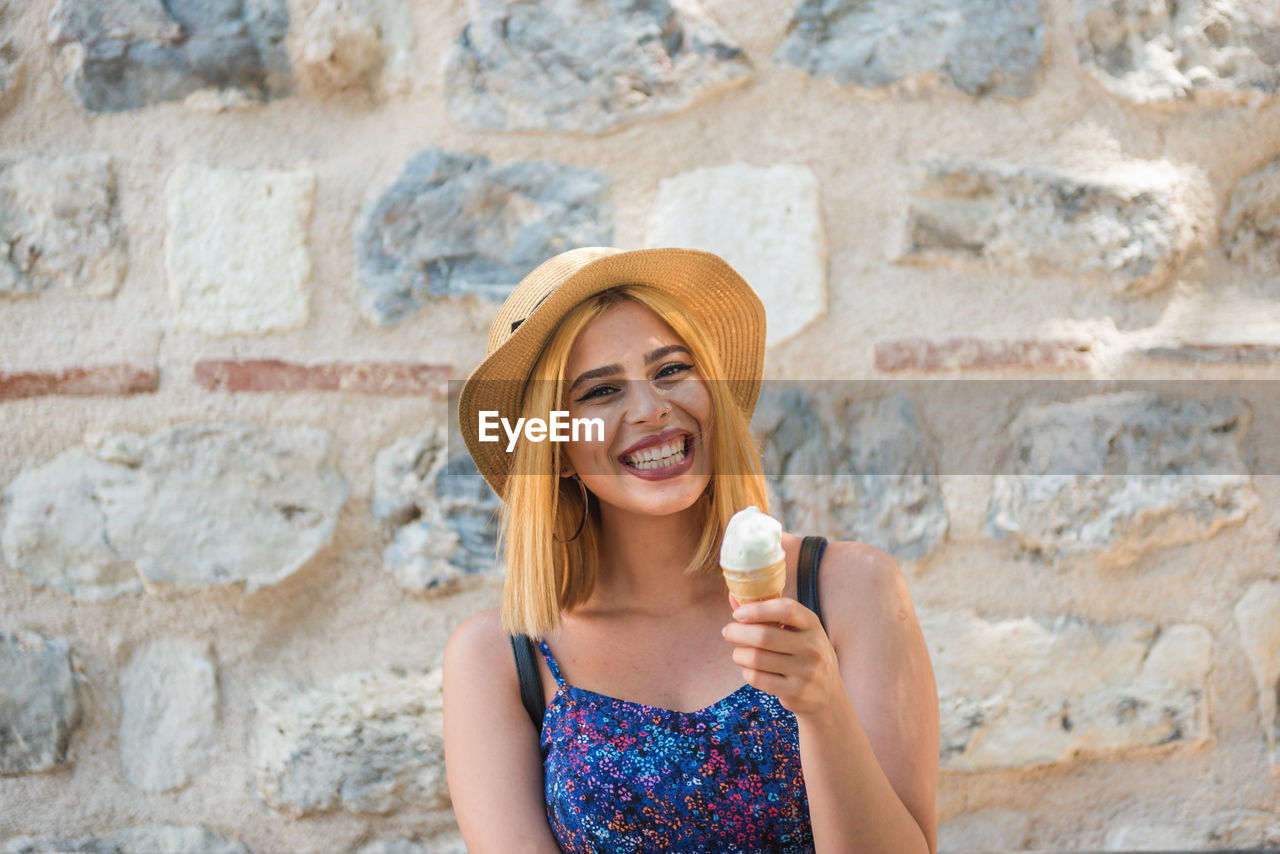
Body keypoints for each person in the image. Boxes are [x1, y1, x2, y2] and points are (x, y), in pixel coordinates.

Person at [444, 246, 939, 853]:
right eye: (600, 392)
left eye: (671, 370)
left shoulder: (848, 590)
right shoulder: (499, 658)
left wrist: (822, 709)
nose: (652, 409)